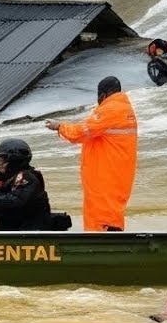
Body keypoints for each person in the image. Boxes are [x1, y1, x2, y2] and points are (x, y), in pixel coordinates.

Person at [46, 76, 138, 231]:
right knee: (112, 211)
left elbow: (81, 132)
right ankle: (113, 243)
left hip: (105, 173)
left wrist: (60, 126)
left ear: (103, 95)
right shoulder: (125, 108)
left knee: (102, 214)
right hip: (118, 170)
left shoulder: (110, 109)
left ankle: (102, 247)